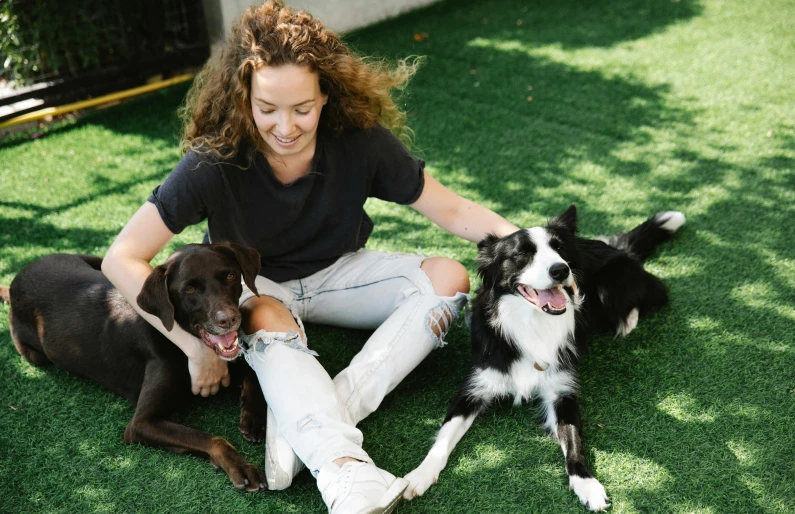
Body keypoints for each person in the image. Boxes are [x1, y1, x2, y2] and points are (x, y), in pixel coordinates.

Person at [102, 1, 519, 512]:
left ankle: (310, 420)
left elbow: (452, 210)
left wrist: (533, 247)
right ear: (243, 98)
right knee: (268, 313)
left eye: (302, 108)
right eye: (267, 108)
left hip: (340, 273)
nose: (285, 126)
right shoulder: (212, 161)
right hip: (257, 290)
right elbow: (121, 258)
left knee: (448, 277)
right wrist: (193, 346)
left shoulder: (359, 141)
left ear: (326, 94)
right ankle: (343, 472)